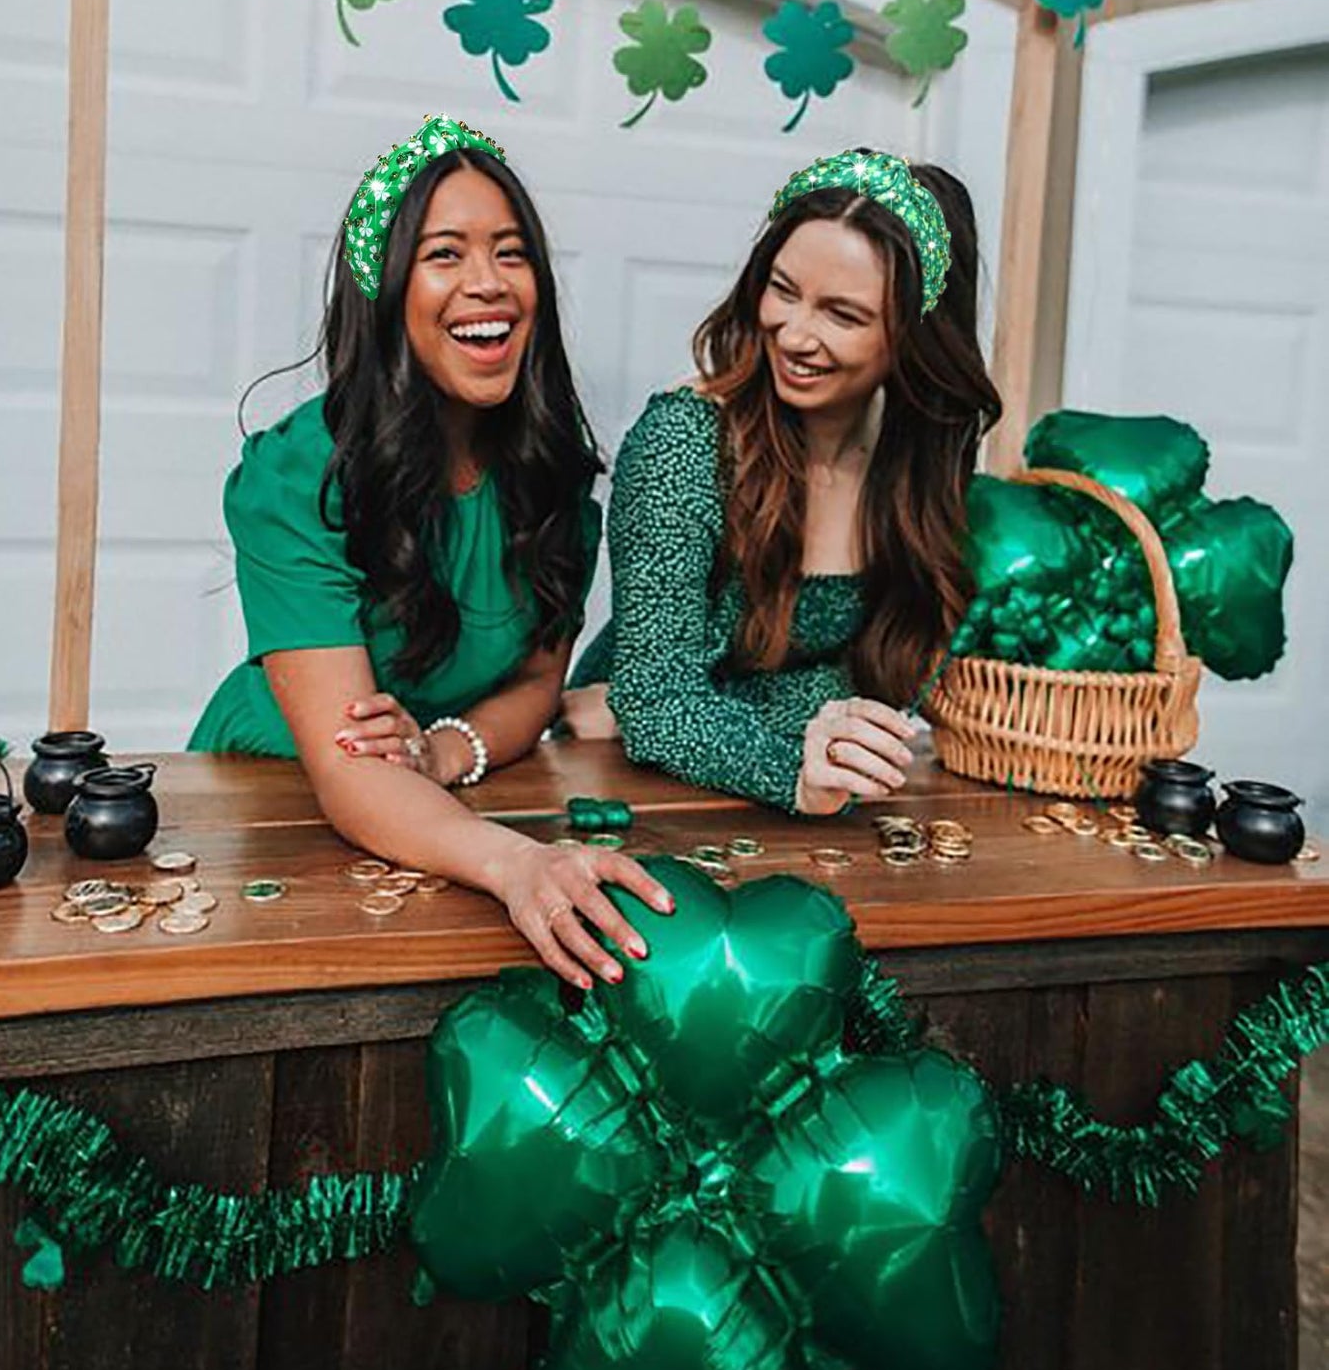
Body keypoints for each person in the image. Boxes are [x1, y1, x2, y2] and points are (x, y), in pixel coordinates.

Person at [189, 114, 673, 984]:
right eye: (445, 254)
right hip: (278, 800)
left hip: (444, 810)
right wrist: (520, 864)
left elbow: (534, 683)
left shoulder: (553, 475)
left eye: (511, 252)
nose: (486, 282)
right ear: (384, 288)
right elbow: (350, 771)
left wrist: (444, 749)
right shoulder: (297, 476)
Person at [566, 147, 1000, 815]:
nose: (794, 333)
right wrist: (800, 763)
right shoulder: (685, 440)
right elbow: (653, 700)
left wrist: (828, 731)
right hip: (629, 791)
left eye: (842, 315)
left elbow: (887, 675)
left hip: (822, 802)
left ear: (913, 335)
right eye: (782, 289)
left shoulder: (907, 457)